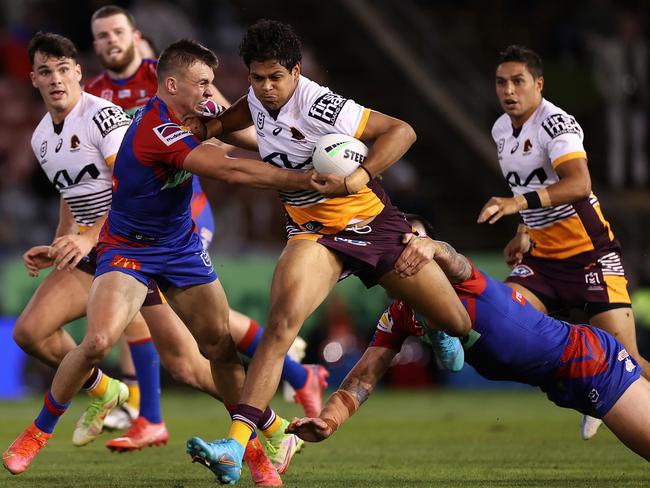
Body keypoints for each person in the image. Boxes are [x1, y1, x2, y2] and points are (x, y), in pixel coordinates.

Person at [2, 36, 313, 484]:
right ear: (171, 84)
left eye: (211, 82)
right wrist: (302, 177)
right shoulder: (154, 129)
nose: (211, 91)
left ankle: (253, 446)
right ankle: (38, 433)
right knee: (96, 341)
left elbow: (243, 139)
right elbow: (230, 168)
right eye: (202, 83)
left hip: (180, 248)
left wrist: (292, 147)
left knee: (215, 349)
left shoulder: (163, 115)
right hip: (128, 249)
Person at [184, 19, 471, 485]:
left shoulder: (321, 103)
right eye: (258, 77)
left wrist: (360, 174)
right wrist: (213, 124)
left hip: (371, 224)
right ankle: (235, 446)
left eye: (276, 77)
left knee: (458, 324)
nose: (266, 87)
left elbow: (402, 131)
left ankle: (423, 319)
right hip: (312, 231)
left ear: (296, 72)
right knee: (279, 327)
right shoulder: (258, 95)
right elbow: (246, 112)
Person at [85, 5, 328, 434]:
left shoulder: (170, 78)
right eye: (101, 35)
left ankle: (157, 416)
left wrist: (292, 161)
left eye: (117, 31)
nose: (110, 41)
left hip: (185, 215)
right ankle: (283, 389)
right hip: (135, 224)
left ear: (137, 36)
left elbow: (230, 137)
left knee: (196, 340)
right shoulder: (94, 94)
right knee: (181, 355)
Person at [287, 216, 650, 463]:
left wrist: (435, 248)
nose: (408, 253)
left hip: (589, 362)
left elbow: (454, 259)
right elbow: (362, 378)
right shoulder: (398, 316)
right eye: (400, 245)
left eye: (416, 242)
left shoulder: (458, 280)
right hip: (560, 382)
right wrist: (329, 421)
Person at [476, 44, 650, 440]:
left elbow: (578, 184)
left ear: (538, 84)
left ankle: (603, 394)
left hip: (588, 253)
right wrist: (523, 230)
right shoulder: (502, 129)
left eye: (518, 81)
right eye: (501, 82)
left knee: (632, 363)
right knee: (504, 330)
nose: (509, 90)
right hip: (541, 259)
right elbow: (530, 185)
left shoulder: (556, 124)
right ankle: (588, 395)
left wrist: (515, 204)